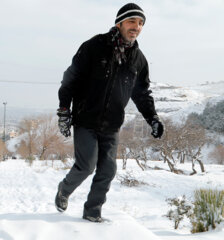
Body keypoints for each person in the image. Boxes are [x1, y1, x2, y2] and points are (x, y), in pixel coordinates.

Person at [55, 3, 164, 222]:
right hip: (86, 118)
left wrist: (153, 118)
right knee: (87, 166)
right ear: (120, 22)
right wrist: (64, 111)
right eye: (132, 21)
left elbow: (142, 94)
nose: (137, 26)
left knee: (108, 170)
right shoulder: (94, 46)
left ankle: (92, 213)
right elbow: (70, 79)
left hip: (112, 124)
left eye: (141, 23)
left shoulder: (138, 60)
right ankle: (64, 190)